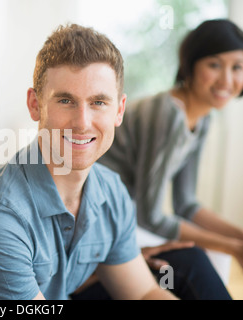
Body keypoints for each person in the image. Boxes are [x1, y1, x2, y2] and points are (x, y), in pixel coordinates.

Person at [0, 23, 178, 300]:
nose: (82, 122)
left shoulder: (111, 191)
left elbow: (144, 292)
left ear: (119, 110)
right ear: (34, 104)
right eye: (65, 100)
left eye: (99, 102)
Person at [98, 19, 243, 270]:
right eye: (214, 65)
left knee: (218, 255)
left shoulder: (203, 118)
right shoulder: (167, 115)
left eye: (238, 67)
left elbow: (186, 203)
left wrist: (238, 238)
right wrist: (232, 246)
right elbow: (151, 216)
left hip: (122, 214)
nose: (226, 80)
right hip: (98, 216)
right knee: (210, 257)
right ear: (189, 65)